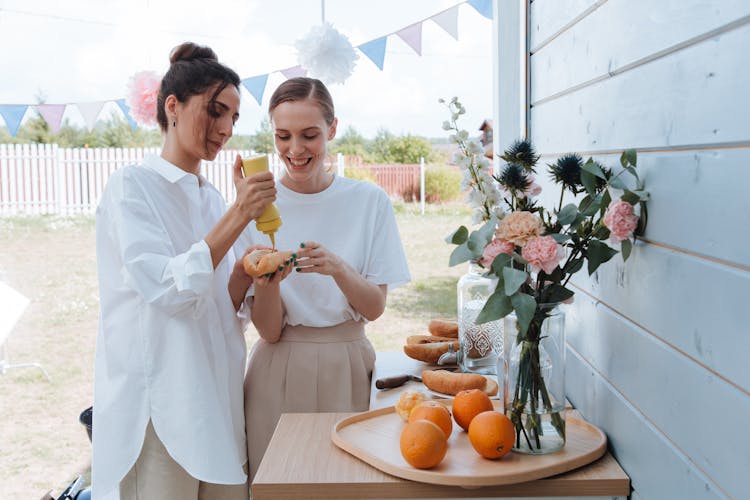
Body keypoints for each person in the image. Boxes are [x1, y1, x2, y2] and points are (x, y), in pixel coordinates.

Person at [92, 42, 276, 500]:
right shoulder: (131, 188)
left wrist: (254, 276)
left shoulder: (212, 199)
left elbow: (219, 304)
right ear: (172, 106)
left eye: (234, 117)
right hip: (160, 408)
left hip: (217, 401)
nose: (226, 128)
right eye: (215, 111)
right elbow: (166, 288)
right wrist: (239, 214)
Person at [239, 77, 411, 478]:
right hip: (274, 373)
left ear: (332, 129)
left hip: (348, 365)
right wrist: (270, 286)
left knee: (348, 484)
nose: (295, 150)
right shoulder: (257, 207)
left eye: (309, 135)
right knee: (278, 485)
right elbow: (268, 332)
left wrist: (338, 269)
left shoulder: (368, 201)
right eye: (283, 136)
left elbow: (375, 308)